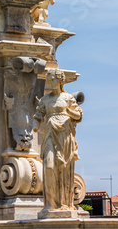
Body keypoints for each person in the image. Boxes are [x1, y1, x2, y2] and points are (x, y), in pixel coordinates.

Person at [33, 69, 83, 214]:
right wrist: (35, 125)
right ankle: (50, 203)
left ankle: (64, 204)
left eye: (54, 79)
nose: (52, 82)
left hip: (65, 135)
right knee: (49, 166)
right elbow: (38, 114)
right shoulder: (45, 99)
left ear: (61, 81)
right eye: (50, 80)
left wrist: (68, 112)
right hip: (50, 133)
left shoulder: (67, 98)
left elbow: (78, 116)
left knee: (63, 168)